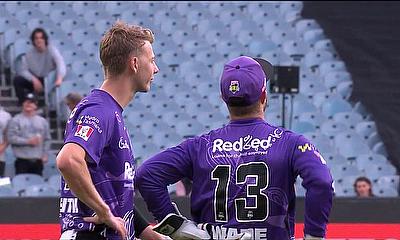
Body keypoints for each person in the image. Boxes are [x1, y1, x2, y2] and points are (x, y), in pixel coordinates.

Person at [136, 56, 334, 240]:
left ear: (223, 98)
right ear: (264, 95)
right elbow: (321, 181)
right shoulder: (290, 143)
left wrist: (177, 227)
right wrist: (314, 236)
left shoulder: (199, 147)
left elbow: (147, 175)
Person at [56, 21, 163, 240]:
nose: (156, 68)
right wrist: (104, 212)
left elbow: (115, 197)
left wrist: (155, 236)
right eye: (151, 60)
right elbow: (68, 160)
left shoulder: (109, 111)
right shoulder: (99, 110)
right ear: (134, 64)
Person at [13, 28, 66, 105]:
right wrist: (33, 79)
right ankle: (25, 103)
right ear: (33, 41)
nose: (39, 40)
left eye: (41, 38)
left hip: (50, 79)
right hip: (36, 79)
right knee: (17, 80)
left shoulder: (52, 50)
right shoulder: (29, 54)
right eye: (36, 38)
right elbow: (23, 70)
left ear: (45, 40)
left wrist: (60, 77)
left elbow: (60, 64)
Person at [7, 93, 50, 176]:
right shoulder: (15, 120)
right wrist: (28, 141)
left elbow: (47, 139)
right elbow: (11, 138)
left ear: (35, 105)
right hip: (22, 160)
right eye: (26, 101)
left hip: (38, 160)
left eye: (31, 102)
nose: (28, 104)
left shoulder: (42, 121)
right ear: (22, 103)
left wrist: (45, 154)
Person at [0, 105, 12, 177]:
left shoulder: (6, 115)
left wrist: (2, 147)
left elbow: (9, 135)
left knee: (2, 185)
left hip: (1, 156)